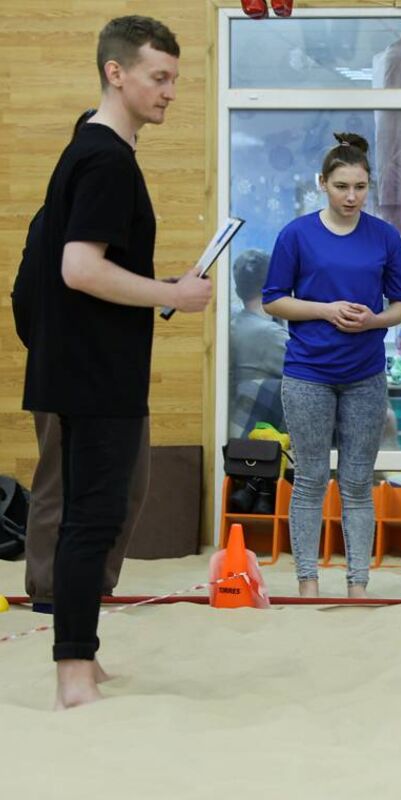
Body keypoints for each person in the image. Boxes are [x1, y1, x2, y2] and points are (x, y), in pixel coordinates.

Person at [22, 16, 213, 709]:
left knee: (94, 515)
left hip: (91, 364)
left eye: (174, 79)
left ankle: (84, 659)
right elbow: (78, 268)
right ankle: (73, 671)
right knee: (91, 518)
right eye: (158, 78)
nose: (169, 93)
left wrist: (161, 292)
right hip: (92, 372)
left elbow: (89, 271)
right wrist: (172, 294)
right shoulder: (103, 158)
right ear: (116, 73)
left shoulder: (95, 154)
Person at [12, 109, 151, 615]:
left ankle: (95, 581)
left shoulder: (120, 212)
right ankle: (49, 587)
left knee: (129, 477)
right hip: (65, 368)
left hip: (116, 372)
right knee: (59, 480)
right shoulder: (52, 218)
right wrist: (51, 348)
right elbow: (25, 296)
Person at [262, 133, 401, 599]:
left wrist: (374, 320)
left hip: (365, 373)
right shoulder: (296, 234)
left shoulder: (385, 236)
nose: (351, 197)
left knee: (356, 482)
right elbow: (274, 302)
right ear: (322, 184)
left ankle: (357, 586)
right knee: (309, 478)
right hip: (308, 372)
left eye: (360, 187)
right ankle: (308, 582)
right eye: (342, 186)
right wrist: (326, 310)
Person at [229, 247, 288, 438]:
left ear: (238, 290)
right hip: (259, 440)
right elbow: (314, 373)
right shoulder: (268, 334)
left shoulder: (235, 323)